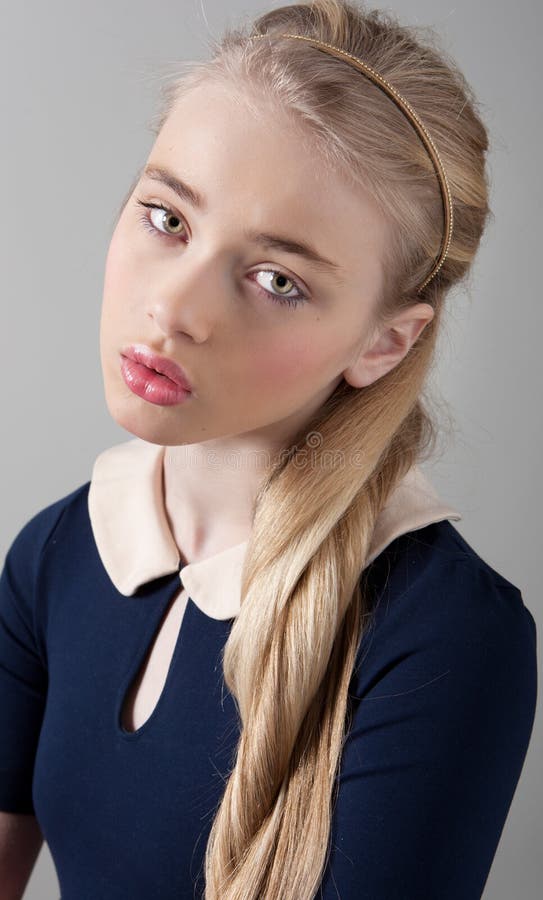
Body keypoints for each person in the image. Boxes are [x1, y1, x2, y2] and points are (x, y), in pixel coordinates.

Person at [0, 1, 537, 898]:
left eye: (277, 280)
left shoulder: (440, 636)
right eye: (167, 218)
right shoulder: (57, 554)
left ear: (384, 344)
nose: (173, 310)